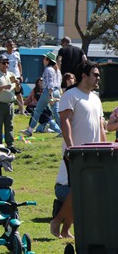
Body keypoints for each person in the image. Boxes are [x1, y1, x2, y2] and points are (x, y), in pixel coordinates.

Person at [49, 61, 105, 239]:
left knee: (85, 191)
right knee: (78, 189)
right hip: (76, 154)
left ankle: (66, 228)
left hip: (94, 154)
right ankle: (57, 221)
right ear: (84, 76)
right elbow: (65, 121)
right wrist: (71, 148)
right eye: (95, 74)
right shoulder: (71, 95)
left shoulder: (96, 98)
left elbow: (101, 127)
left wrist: (105, 148)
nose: (98, 78)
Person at [23, 51, 62, 137]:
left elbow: (50, 83)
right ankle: (63, 131)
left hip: (48, 92)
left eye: (44, 58)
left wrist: (50, 96)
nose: (43, 60)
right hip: (56, 92)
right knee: (56, 112)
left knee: (37, 111)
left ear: (48, 60)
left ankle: (30, 130)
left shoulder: (48, 69)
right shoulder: (57, 70)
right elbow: (58, 83)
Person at [5, 40, 26, 115]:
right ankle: (9, 111)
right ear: (7, 46)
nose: (12, 47)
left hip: (17, 76)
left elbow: (19, 65)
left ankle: (22, 111)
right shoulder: (4, 55)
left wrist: (21, 74)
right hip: (9, 77)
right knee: (9, 93)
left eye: (13, 45)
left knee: (19, 94)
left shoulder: (17, 54)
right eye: (10, 45)